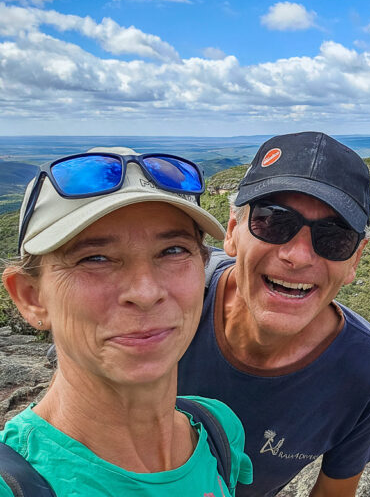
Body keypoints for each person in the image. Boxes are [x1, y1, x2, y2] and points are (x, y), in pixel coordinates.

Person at [1, 149, 253, 496]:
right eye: (96, 258)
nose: (146, 292)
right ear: (31, 297)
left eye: (173, 250)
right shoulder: (13, 483)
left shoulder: (218, 430)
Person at [178, 132, 370, 497]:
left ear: (354, 260)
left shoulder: (368, 372)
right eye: (274, 221)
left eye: (334, 238)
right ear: (232, 231)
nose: (298, 256)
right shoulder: (173, 302)